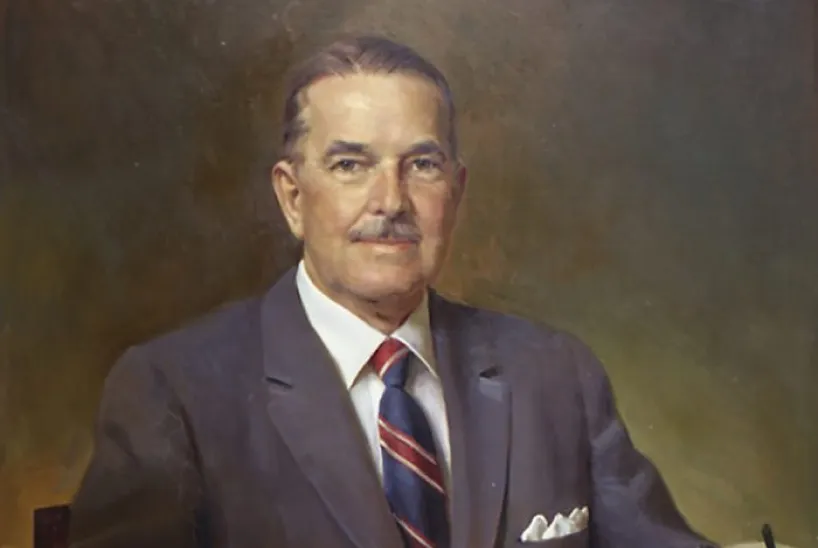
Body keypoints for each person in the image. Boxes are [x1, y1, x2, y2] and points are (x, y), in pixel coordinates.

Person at [68, 35, 719, 548]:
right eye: (351, 165)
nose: (391, 201)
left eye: (422, 165)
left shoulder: (555, 375)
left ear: (455, 193)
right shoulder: (172, 394)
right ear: (292, 198)